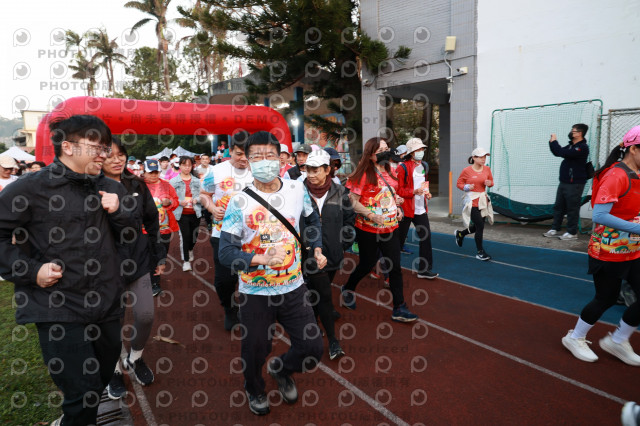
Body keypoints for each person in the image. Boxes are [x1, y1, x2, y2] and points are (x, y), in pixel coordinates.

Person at [0, 115, 130, 425]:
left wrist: (120, 212)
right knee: (82, 392)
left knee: (97, 383)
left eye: (106, 148)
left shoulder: (111, 188)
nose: (104, 155)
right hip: (57, 306)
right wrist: (31, 271)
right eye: (97, 148)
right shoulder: (30, 187)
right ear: (68, 146)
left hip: (106, 304)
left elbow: (130, 239)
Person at [218, 131, 325, 416]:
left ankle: (282, 369)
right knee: (255, 350)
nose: (264, 162)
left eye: (270, 156)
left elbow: (312, 220)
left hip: (293, 287)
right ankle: (254, 388)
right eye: (257, 157)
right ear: (247, 161)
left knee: (312, 347)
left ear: (280, 159)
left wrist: (316, 247)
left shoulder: (296, 189)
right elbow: (225, 253)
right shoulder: (238, 202)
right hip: (255, 292)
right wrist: (260, 259)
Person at [561, 126, 640, 366]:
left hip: (634, 249)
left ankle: (619, 340)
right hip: (608, 250)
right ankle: (575, 337)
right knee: (605, 298)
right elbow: (600, 215)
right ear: (634, 149)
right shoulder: (616, 175)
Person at [101, 137, 166, 399]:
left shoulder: (136, 184)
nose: (117, 160)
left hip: (138, 259)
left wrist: (159, 257)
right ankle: (115, 369)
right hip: (106, 266)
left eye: (121, 154)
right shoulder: (90, 186)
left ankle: (135, 357)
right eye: (110, 155)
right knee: (112, 321)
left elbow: (152, 220)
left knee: (145, 314)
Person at [340, 137, 419, 322]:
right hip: (368, 229)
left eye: (386, 148)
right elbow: (353, 202)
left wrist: (397, 207)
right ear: (371, 155)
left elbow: (391, 195)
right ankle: (348, 288)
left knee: (395, 267)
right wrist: (371, 215)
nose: (385, 152)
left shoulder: (392, 170)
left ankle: (399, 307)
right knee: (367, 264)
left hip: (390, 228)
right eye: (380, 150)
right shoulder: (364, 174)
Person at [302, 149, 355, 359]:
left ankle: (313, 322)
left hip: (333, 254)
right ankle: (333, 341)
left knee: (317, 292)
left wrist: (342, 244)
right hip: (308, 255)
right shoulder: (297, 191)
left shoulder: (341, 193)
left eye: (315, 170)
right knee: (324, 294)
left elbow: (349, 221)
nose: (311, 174)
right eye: (308, 170)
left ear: (327, 170)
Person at [201, 131, 253, 331]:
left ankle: (254, 310)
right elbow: (204, 194)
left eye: (247, 154)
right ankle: (230, 309)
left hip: (252, 235)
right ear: (230, 151)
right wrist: (212, 208)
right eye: (239, 154)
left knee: (253, 273)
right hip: (222, 233)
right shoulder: (216, 172)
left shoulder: (257, 170)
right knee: (225, 279)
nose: (244, 159)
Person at [396, 138, 439, 279]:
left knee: (426, 237)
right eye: (417, 149)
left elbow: (424, 183)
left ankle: (424, 270)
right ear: (411, 152)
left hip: (420, 209)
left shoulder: (424, 165)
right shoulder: (402, 167)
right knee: (398, 241)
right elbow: (398, 190)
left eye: (422, 149)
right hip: (406, 209)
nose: (421, 151)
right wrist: (413, 192)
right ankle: (388, 269)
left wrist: (427, 193)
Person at [543, 124, 590, 240]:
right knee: (558, 206)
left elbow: (563, 153)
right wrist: (552, 142)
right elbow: (557, 152)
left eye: (573, 131)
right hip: (564, 182)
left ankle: (572, 232)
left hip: (575, 183)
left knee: (572, 208)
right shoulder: (570, 146)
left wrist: (555, 141)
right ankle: (555, 228)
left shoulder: (582, 147)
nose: (571, 132)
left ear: (580, 133)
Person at [143, 159, 179, 296]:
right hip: (145, 229)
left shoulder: (166, 185)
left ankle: (155, 281)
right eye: (150, 172)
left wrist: (169, 202)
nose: (154, 175)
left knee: (161, 256)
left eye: (156, 172)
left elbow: (175, 202)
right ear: (144, 172)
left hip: (164, 229)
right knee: (148, 255)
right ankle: (151, 282)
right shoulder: (139, 186)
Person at [454, 147, 495, 261]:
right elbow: (459, 183)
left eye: (485, 157)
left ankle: (460, 234)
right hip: (471, 202)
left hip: (483, 201)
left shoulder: (487, 169)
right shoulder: (466, 170)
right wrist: (466, 187)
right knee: (480, 226)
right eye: (481, 157)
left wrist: (489, 183)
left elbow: (491, 182)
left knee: (477, 227)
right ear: (474, 158)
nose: (483, 159)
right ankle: (480, 252)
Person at [170, 156, 203, 272]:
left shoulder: (197, 181)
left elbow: (203, 196)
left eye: (189, 165)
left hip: (195, 212)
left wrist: (197, 199)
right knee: (185, 236)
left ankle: (190, 249)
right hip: (181, 214)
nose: (187, 168)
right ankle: (186, 261)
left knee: (194, 237)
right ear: (180, 166)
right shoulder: (173, 181)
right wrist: (179, 202)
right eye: (184, 165)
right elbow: (170, 198)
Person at [196, 153, 216, 230]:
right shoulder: (197, 170)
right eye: (203, 159)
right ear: (200, 160)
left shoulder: (213, 169)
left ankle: (214, 221)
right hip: (202, 192)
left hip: (213, 192)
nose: (204, 160)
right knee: (205, 208)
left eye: (206, 159)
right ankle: (209, 223)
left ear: (209, 160)